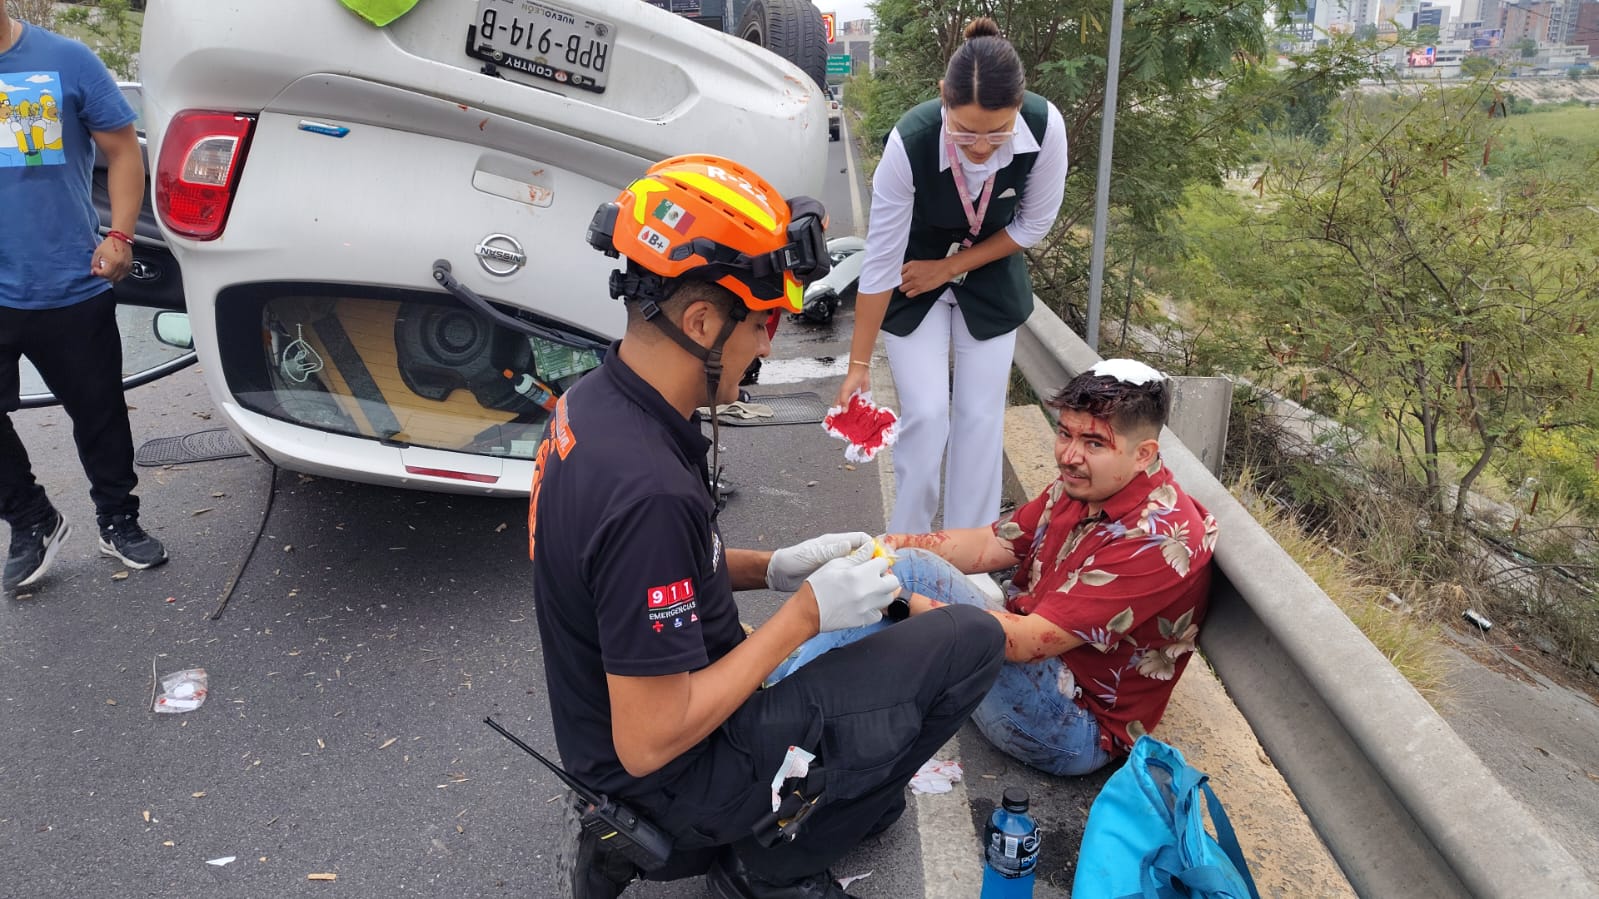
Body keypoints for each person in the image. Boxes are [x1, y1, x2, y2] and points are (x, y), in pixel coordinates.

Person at [529, 154, 1004, 898]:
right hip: (675, 778)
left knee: (881, 651)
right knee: (972, 640)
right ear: (699, 321)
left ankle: (800, 810)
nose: (767, 348)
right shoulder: (645, 488)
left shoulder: (595, 405)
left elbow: (639, 583)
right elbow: (650, 738)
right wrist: (804, 616)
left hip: (622, 749)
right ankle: (767, 863)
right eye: (761, 325)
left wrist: (775, 565)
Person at [782, 361, 1216, 776]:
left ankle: (775, 706)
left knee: (904, 576)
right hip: (1035, 678)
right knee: (897, 562)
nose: (1069, 455)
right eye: (1064, 434)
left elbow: (1027, 643)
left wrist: (900, 599)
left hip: (1069, 727)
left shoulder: (1157, 537)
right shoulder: (1092, 483)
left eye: (1094, 444)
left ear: (1144, 454)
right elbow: (993, 542)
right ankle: (782, 692)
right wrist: (883, 545)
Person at [835, 17, 1069, 534]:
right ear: (943, 97)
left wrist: (952, 267)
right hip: (912, 278)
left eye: (996, 132)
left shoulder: (1045, 126)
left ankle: (971, 559)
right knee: (924, 416)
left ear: (1019, 106)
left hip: (986, 278)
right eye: (964, 131)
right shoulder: (910, 142)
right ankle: (909, 548)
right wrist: (857, 363)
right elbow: (879, 259)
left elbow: (1033, 225)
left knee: (980, 421)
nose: (981, 146)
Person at [1, 2, 168, 595]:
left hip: (67, 278)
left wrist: (121, 234)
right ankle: (30, 518)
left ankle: (117, 519)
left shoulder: (65, 60)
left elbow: (124, 150)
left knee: (99, 414)